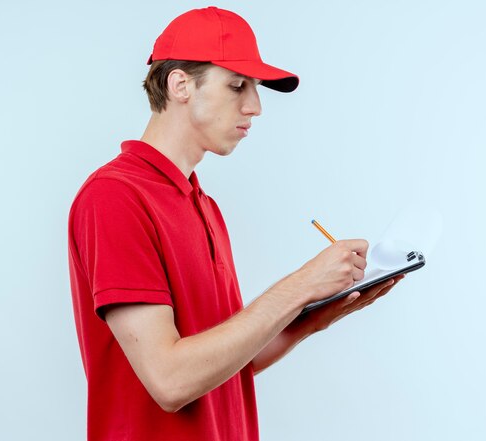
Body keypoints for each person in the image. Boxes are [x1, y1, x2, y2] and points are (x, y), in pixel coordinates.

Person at [67, 6, 403, 441]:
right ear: (180, 84)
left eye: (256, 87)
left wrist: (313, 316)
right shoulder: (115, 197)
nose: (256, 106)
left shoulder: (202, 204)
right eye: (237, 86)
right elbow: (171, 381)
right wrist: (299, 285)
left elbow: (226, 364)